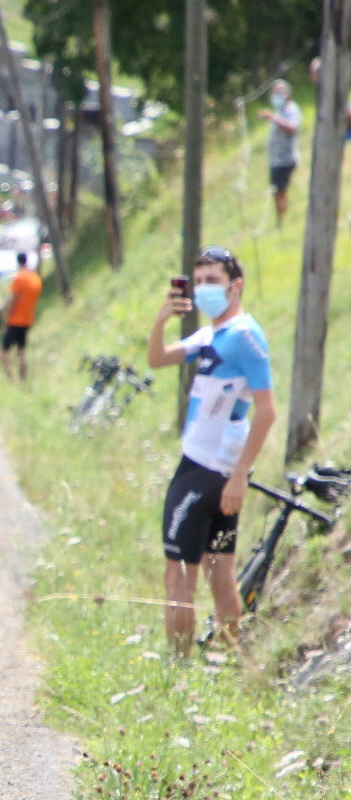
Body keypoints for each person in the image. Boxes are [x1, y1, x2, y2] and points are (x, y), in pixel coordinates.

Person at [146, 247, 277, 655]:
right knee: (220, 573)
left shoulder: (244, 336)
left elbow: (267, 411)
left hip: (203, 474)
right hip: (216, 475)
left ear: (235, 286)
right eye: (198, 281)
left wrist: (241, 473)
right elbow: (158, 359)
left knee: (178, 576)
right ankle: (226, 665)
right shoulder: (212, 333)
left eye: (212, 281)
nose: (203, 289)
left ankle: (179, 672)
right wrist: (162, 320)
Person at [258, 79, 303, 227]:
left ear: (287, 94)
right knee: (276, 191)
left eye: (279, 93)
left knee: (281, 191)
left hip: (285, 160)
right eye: (274, 93)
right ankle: (280, 220)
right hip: (276, 160)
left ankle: (281, 222)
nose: (276, 96)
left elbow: (291, 128)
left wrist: (272, 118)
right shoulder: (279, 111)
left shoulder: (291, 110)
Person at [0, 253, 42, 382]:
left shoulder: (19, 279)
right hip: (28, 320)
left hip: (15, 320)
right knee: (21, 351)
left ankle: (10, 379)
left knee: (2, 353)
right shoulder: (36, 279)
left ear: (18, 262)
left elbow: (14, 301)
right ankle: (22, 379)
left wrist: (6, 319)